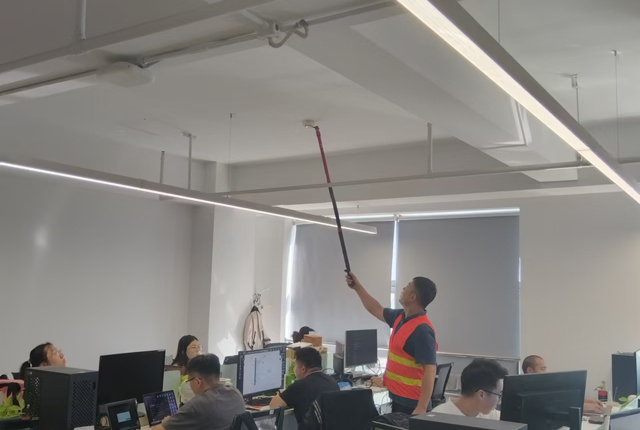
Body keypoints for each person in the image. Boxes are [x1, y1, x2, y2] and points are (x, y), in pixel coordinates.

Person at [346, 272, 437, 415]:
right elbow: (375, 309)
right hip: (398, 397)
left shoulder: (422, 330)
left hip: (412, 404)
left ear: (412, 297)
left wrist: (422, 407)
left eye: (407, 286)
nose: (403, 288)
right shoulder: (400, 317)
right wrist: (357, 287)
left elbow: (430, 370)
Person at [152, 354, 245, 430]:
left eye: (189, 381)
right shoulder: (236, 393)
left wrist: (167, 422)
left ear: (197, 382)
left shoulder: (198, 405)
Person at [269, 347, 339, 429]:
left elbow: (274, 405)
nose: (294, 369)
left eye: (295, 365)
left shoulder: (299, 386)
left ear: (303, 369)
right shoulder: (333, 382)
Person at [521, 355, 604, 413]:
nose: (545, 372)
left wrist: (583, 400)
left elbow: (560, 400)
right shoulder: (526, 391)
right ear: (530, 371)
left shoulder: (542, 387)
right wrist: (582, 406)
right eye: (542, 369)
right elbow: (549, 408)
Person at [432, 358, 507, 419]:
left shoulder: (489, 415)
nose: (499, 402)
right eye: (499, 395)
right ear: (481, 395)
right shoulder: (439, 418)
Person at [171, 335, 202, 405]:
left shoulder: (199, 367)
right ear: (183, 351)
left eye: (199, 347)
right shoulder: (176, 369)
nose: (197, 350)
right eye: (193, 347)